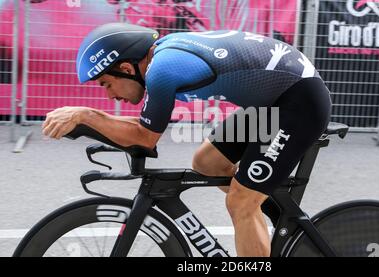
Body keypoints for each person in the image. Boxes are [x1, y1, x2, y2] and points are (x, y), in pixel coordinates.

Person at [42, 23, 332, 257]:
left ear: (127, 69)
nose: (109, 95)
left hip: (298, 103)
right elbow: (143, 128)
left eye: (107, 83)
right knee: (207, 162)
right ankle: (279, 216)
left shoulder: (163, 69)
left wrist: (85, 116)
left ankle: (255, 210)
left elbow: (144, 138)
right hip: (273, 101)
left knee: (241, 202)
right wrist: (88, 118)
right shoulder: (162, 59)